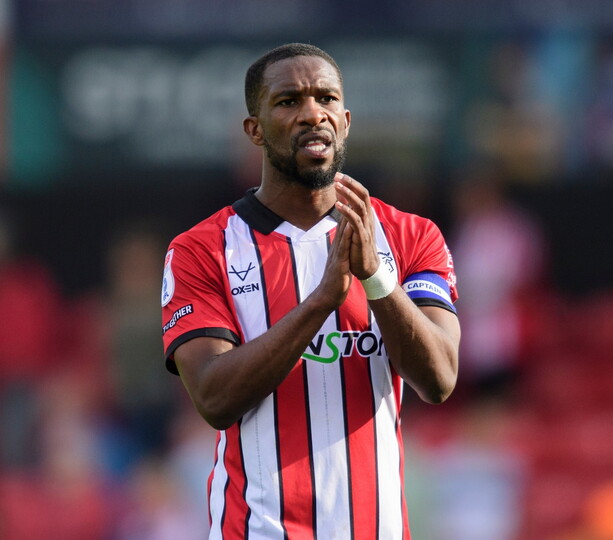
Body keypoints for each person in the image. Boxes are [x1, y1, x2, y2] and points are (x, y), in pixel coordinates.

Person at [160, 43, 460, 540]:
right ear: (253, 130)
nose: (311, 114)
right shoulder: (201, 249)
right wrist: (322, 300)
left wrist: (377, 281)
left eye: (325, 99)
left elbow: (440, 379)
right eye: (288, 101)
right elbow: (214, 398)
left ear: (344, 121)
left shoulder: (411, 236)